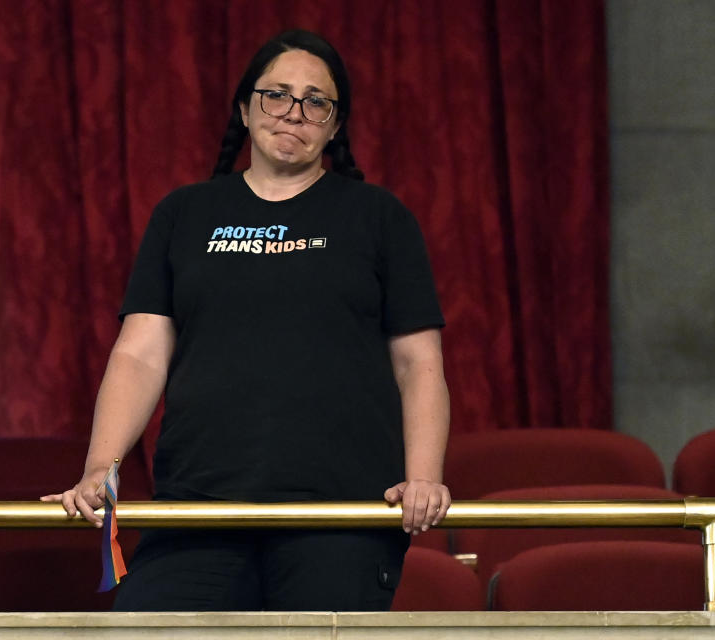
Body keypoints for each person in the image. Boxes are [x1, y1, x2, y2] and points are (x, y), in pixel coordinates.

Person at [42, 29, 450, 612]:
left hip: (340, 515)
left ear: (335, 126)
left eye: (317, 102)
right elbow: (140, 354)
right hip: (198, 509)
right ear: (245, 106)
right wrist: (97, 468)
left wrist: (424, 476)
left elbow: (420, 363)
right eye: (277, 94)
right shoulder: (184, 214)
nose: (294, 113)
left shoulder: (380, 218)